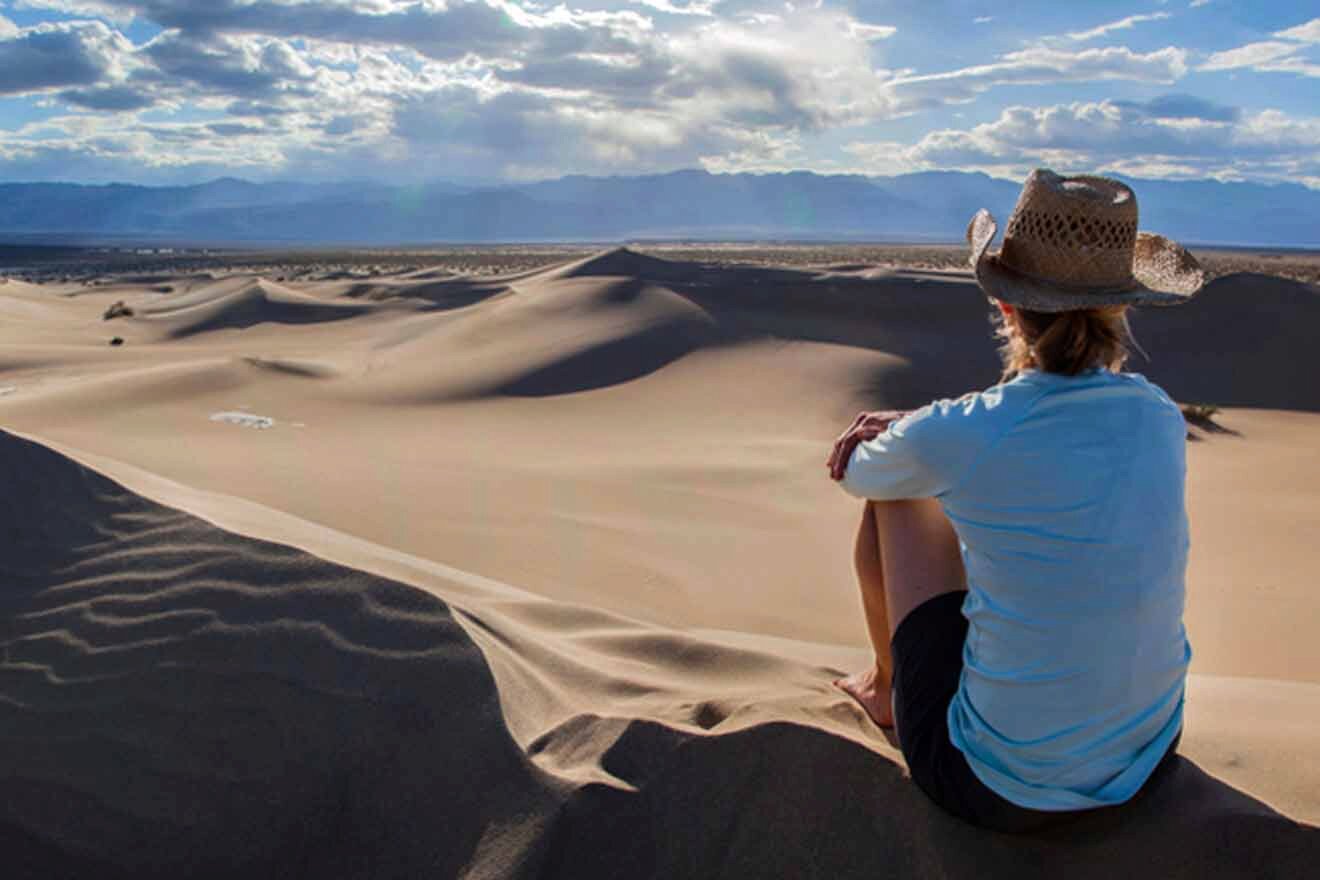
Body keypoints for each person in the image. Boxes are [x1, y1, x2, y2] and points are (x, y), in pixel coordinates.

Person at [827, 169, 1206, 832]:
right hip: (1148, 764)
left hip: (1001, 789)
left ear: (1005, 307)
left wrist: (911, 431)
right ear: (1121, 309)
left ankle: (886, 690)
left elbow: (860, 472)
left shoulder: (973, 429)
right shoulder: (1159, 415)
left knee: (898, 495)